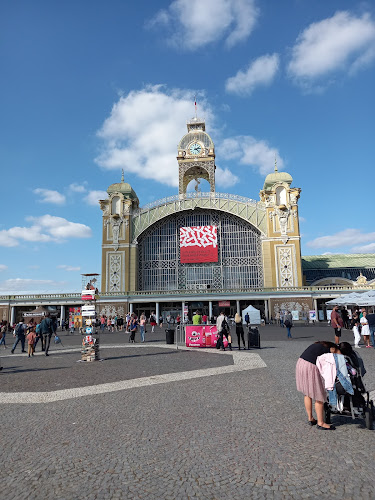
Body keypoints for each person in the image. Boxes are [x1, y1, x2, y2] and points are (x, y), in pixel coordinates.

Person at [296, 341, 341, 430]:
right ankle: (321, 423)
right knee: (319, 395)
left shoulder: (321, 345)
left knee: (307, 393)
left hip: (301, 363)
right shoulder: (332, 349)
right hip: (310, 366)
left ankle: (310, 418)